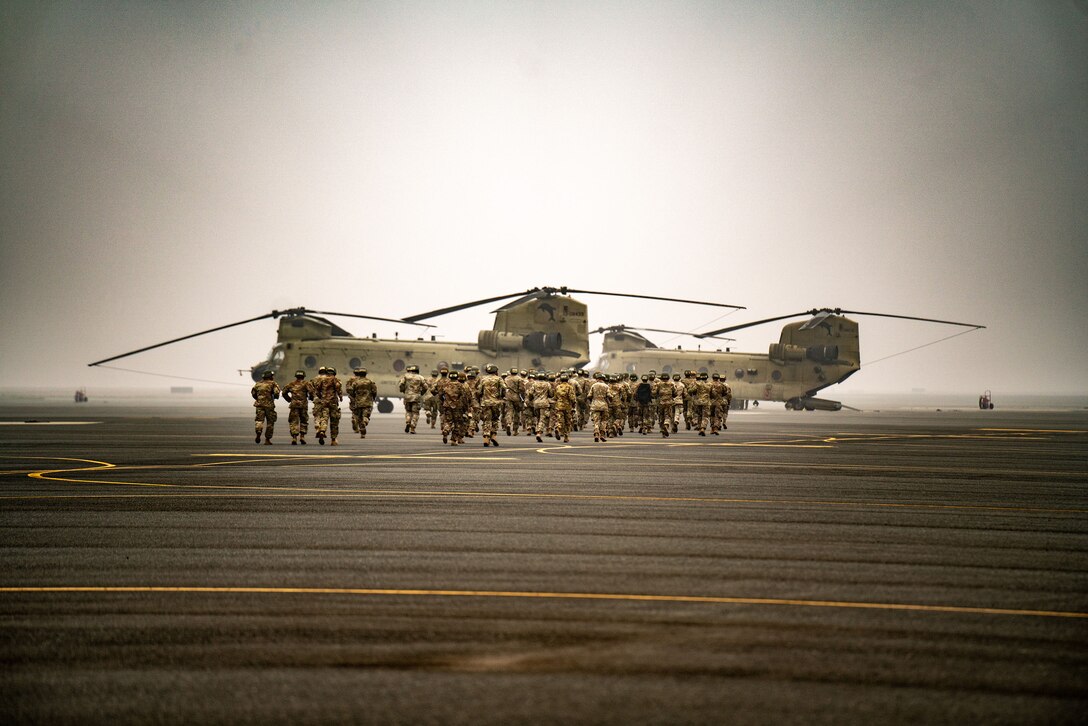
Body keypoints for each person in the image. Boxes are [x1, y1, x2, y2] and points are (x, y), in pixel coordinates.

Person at [476, 364, 506, 447]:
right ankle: (493, 435)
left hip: (485, 403)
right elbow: (504, 388)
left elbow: (479, 391)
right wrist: (502, 396)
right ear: (496, 371)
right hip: (496, 402)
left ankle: (486, 436)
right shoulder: (499, 379)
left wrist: (481, 397)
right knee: (495, 419)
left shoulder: (483, 379)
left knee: (486, 420)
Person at [281, 369, 314, 445]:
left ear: (296, 376)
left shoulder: (291, 384)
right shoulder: (306, 384)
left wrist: (289, 399)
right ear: (303, 376)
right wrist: (311, 398)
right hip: (303, 405)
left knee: (293, 421)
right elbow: (311, 392)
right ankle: (302, 437)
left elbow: (283, 392)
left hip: (294, 405)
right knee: (304, 421)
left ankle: (294, 438)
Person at [313, 366, 343, 445]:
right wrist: (340, 397)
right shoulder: (336, 380)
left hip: (324, 403)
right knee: (334, 421)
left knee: (324, 418)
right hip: (333, 403)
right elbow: (338, 389)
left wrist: (321, 396)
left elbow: (317, 390)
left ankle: (322, 430)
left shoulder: (322, 380)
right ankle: (333, 440)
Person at [346, 368, 378, 438]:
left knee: (359, 416)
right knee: (366, 416)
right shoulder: (370, 382)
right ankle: (364, 423)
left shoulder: (355, 382)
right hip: (367, 402)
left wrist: (354, 397)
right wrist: (374, 397)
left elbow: (351, 391)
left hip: (358, 402)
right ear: (365, 374)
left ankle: (362, 432)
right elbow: (374, 391)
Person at [439, 370, 468, 445]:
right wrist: (465, 407)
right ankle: (453, 440)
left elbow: (440, 395)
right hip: (457, 406)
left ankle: (446, 430)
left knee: (448, 421)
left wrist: (444, 402)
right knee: (457, 423)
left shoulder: (445, 384)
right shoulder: (460, 385)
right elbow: (464, 397)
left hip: (447, 405)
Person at [251, 370, 280, 444]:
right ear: (270, 376)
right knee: (270, 422)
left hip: (259, 405)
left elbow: (253, 393)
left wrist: (258, 399)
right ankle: (267, 439)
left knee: (259, 420)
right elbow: (276, 393)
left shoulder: (258, 384)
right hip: (269, 405)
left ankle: (258, 431)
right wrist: (275, 397)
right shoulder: (273, 384)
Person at [398, 364, 427, 433]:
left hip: (407, 397)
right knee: (415, 413)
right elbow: (425, 387)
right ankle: (413, 428)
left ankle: (408, 422)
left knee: (408, 411)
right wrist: (421, 393)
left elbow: (401, 384)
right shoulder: (420, 377)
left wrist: (403, 391)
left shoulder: (406, 376)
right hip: (416, 397)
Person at [587, 372, 613, 443]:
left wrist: (591, 402)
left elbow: (589, 396)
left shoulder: (593, 385)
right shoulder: (606, 386)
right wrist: (609, 402)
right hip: (604, 405)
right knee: (604, 421)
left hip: (595, 405)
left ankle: (596, 433)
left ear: (597, 379)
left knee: (596, 421)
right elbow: (610, 396)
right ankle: (602, 434)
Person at [553, 374, 577, 442]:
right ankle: (566, 436)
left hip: (559, 405)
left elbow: (555, 397)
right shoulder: (569, 387)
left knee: (559, 419)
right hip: (567, 406)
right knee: (568, 421)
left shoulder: (557, 387)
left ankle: (558, 428)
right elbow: (572, 397)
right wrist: (574, 405)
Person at [655, 372, 675, 438]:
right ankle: (666, 426)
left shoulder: (658, 384)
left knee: (661, 416)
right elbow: (675, 393)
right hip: (669, 403)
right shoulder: (671, 384)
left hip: (660, 403)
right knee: (668, 416)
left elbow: (654, 393)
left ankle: (662, 429)